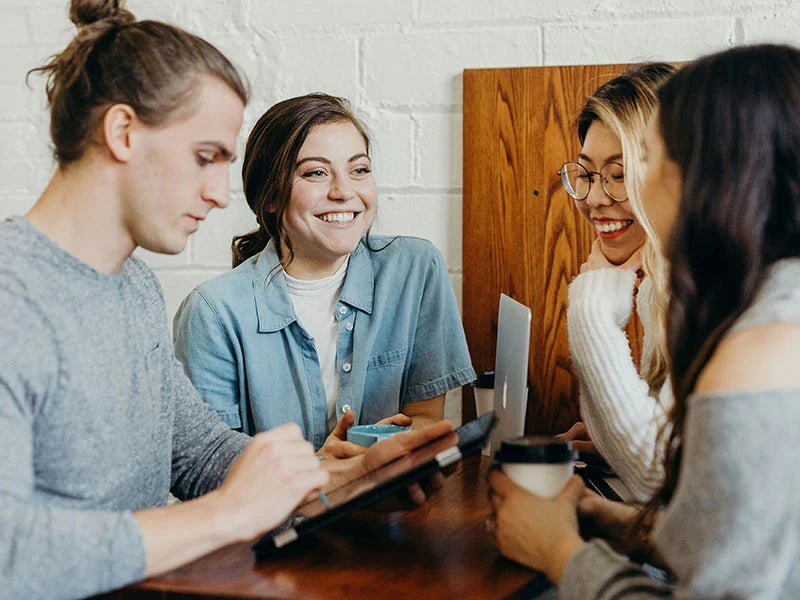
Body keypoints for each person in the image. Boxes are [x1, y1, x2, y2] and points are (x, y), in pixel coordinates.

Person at [0, 3, 455, 599]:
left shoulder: (132, 287)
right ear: (122, 133)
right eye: (204, 157)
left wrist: (333, 481)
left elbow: (198, 453)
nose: (220, 195)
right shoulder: (14, 301)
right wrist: (227, 516)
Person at [489, 44, 800, 598]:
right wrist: (628, 527)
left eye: (645, 160)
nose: (605, 196)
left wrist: (560, 552)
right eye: (589, 174)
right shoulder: (763, 304)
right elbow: (734, 541)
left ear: (714, 175)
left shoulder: (763, 347)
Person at [173, 93, 475, 457]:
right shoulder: (213, 312)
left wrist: (378, 450)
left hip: (391, 506)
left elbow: (426, 418)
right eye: (315, 173)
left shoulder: (414, 269)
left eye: (359, 170)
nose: (344, 191)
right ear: (270, 196)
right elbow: (211, 469)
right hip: (279, 513)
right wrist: (325, 469)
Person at [556, 63, 677, 501]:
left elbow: (657, 478)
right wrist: (610, 442)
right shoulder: (659, 286)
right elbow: (666, 457)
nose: (594, 198)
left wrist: (591, 308)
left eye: (620, 174)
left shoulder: (712, 292)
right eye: (586, 174)